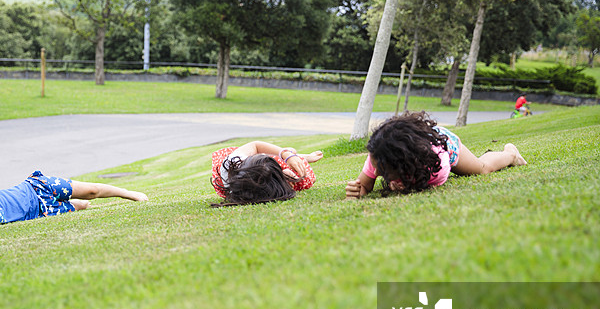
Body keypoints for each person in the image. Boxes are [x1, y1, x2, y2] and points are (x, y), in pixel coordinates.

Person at [345, 112, 526, 199]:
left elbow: (427, 184)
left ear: (402, 164)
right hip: (412, 145)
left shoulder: (436, 163)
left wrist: (404, 185)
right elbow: (364, 185)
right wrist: (358, 191)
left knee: (482, 169)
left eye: (382, 169)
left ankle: (511, 154)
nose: (375, 171)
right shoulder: (379, 155)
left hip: (442, 143)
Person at [0, 170, 148, 237]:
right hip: (43, 212)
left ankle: (127, 194)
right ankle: (77, 203)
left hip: (39, 188)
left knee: (91, 191)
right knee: (81, 207)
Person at [211, 140, 324, 206]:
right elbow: (310, 179)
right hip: (262, 173)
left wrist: (286, 154)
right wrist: (289, 177)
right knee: (298, 171)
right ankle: (298, 156)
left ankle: (290, 154)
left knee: (284, 154)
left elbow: (255, 145)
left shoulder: (232, 162)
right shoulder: (287, 183)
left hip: (242, 164)